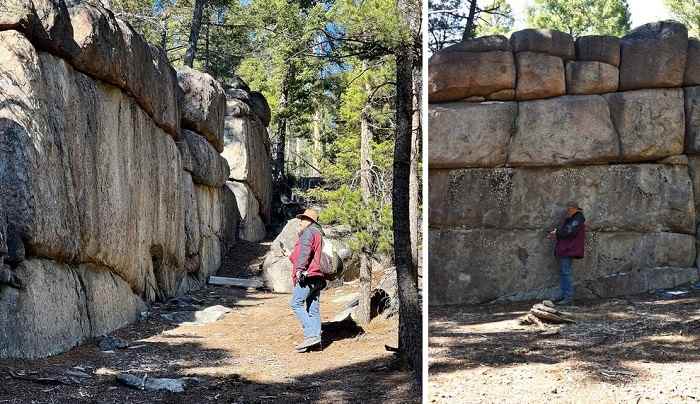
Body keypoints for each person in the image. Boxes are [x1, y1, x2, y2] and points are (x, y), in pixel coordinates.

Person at [289, 208, 327, 352]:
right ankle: (316, 343)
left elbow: (305, 252)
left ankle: (312, 336)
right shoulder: (318, 234)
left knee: (296, 303)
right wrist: (290, 256)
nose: (301, 221)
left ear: (310, 221)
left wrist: (299, 269)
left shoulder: (309, 233)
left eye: (304, 219)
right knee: (313, 309)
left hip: (309, 276)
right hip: (318, 277)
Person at [547, 201, 586, 306]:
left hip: (569, 249)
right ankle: (565, 294)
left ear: (574, 209)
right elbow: (566, 230)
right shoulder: (574, 219)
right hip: (567, 249)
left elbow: (569, 231)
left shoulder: (577, 219)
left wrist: (557, 233)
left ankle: (568, 297)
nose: (567, 211)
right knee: (564, 272)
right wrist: (557, 233)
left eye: (569, 209)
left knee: (566, 272)